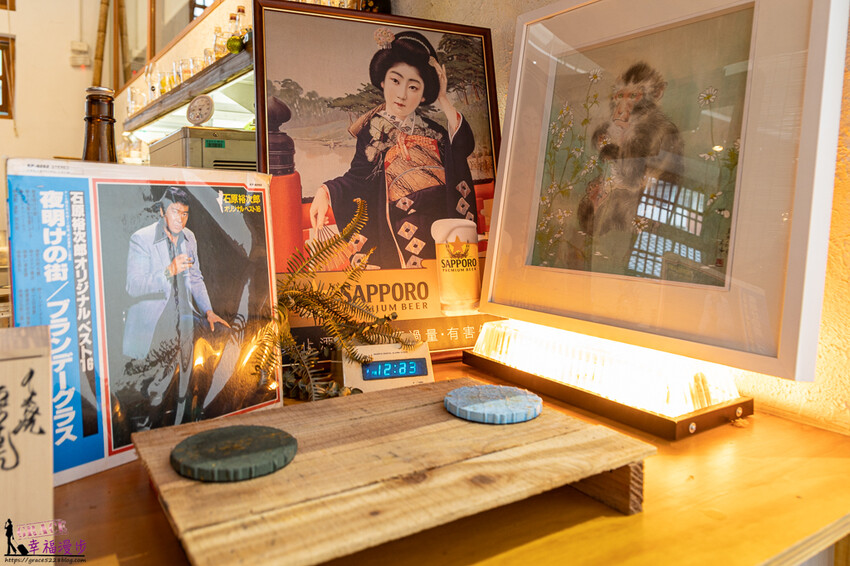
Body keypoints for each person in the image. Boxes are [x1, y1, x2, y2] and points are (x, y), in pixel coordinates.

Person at [309, 30, 477, 269]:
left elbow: (463, 147)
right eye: (395, 81)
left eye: (413, 87)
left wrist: (443, 98)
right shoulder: (372, 132)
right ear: (382, 82)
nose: (402, 94)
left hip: (440, 225)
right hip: (400, 226)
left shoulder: (436, 131)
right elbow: (358, 178)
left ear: (423, 95)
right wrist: (325, 192)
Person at [120, 186, 230, 433]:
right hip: (154, 321)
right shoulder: (141, 239)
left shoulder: (189, 237)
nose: (180, 219)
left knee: (221, 333)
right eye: (174, 212)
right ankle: (152, 421)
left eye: (185, 213)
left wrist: (209, 311)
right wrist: (168, 271)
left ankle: (196, 410)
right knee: (167, 366)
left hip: (185, 316)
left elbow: (196, 278)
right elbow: (132, 286)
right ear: (161, 211)